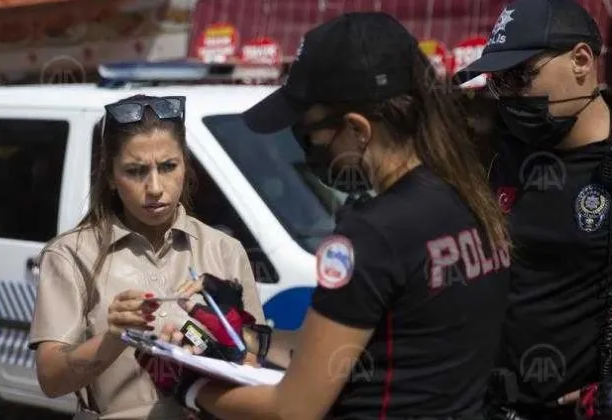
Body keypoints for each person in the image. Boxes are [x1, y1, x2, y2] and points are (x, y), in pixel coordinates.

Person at [143, 11, 512, 420]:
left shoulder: (371, 235)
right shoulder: (471, 201)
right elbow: (378, 346)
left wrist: (187, 385)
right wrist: (248, 336)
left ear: (357, 129)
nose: (306, 148)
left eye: (306, 133)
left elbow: (293, 409)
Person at [455, 0, 612, 419]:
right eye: (498, 83)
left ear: (581, 60)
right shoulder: (502, 159)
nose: (510, 96)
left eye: (520, 76)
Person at [27, 94, 265, 419]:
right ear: (110, 176)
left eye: (168, 166)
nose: (155, 187)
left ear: (185, 164)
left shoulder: (224, 250)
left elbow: (255, 362)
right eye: (136, 171)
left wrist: (226, 339)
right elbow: (52, 380)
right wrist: (114, 337)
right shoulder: (69, 255)